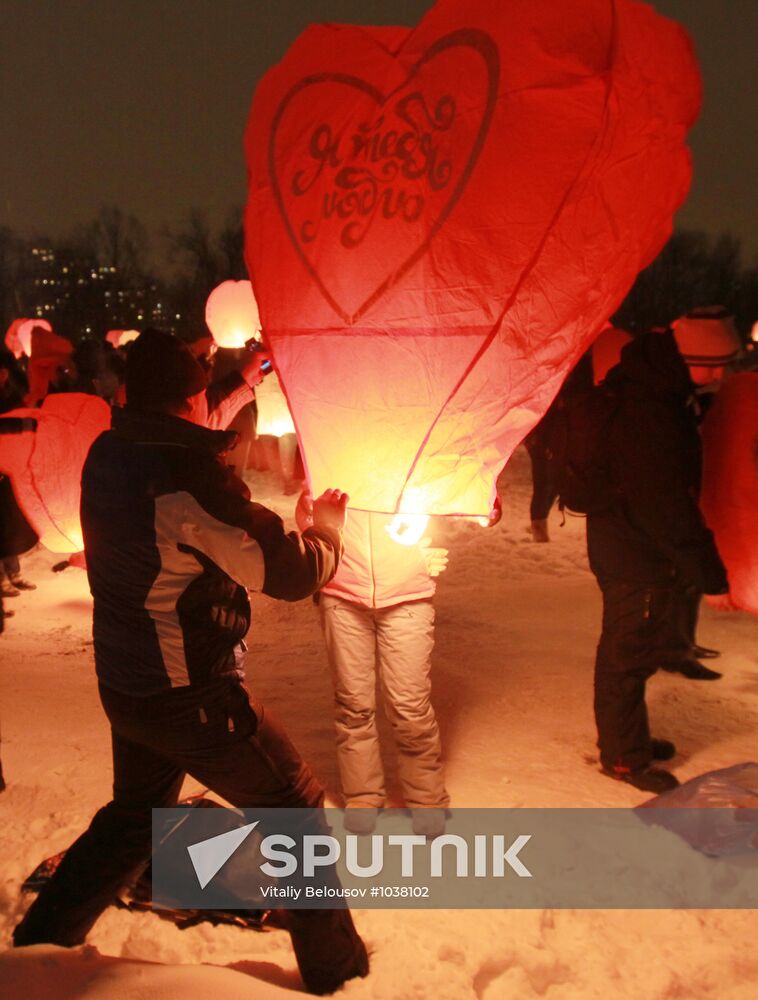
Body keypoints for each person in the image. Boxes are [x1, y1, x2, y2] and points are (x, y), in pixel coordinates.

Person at [13, 329, 368, 995]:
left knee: (135, 818)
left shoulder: (112, 449)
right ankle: (339, 972)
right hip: (190, 696)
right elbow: (285, 572)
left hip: (129, 683)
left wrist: (244, 379)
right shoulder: (187, 478)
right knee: (294, 808)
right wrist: (325, 529)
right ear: (191, 398)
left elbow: (181, 425)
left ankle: (36, 948)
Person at [586, 329, 729, 793]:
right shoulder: (650, 416)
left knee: (634, 651)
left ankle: (630, 740)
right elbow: (665, 507)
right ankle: (623, 758)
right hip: (635, 554)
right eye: (716, 363)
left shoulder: (654, 393)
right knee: (626, 657)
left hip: (629, 544)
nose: (722, 372)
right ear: (690, 360)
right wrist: (709, 571)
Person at [297, 493, 450, 837]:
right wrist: (315, 517)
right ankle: (363, 796)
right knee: (353, 703)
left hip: (408, 596)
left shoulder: (416, 471)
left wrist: (429, 547)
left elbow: (446, 507)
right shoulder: (328, 470)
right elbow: (309, 524)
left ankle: (426, 799)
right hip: (342, 597)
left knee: (410, 705)